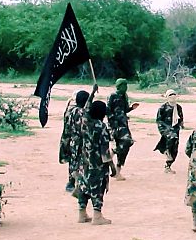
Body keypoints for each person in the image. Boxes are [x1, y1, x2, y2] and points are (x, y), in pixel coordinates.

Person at [74, 84, 117, 226]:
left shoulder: (85, 123)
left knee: (83, 186)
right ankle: (97, 216)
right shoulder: (101, 127)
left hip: (84, 162)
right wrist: (113, 167)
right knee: (98, 188)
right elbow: (105, 152)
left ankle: (82, 213)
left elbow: (86, 108)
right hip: (97, 164)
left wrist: (92, 92)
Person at [107, 78, 139, 180]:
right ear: (119, 86)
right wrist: (113, 122)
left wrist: (131, 108)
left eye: (126, 86)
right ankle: (111, 154)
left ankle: (117, 169)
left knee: (127, 143)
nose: (126, 88)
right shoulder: (112, 96)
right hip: (115, 126)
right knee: (126, 142)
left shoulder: (124, 96)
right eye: (124, 86)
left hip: (124, 125)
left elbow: (124, 110)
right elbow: (107, 110)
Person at [60, 89, 89, 192]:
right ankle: (78, 183)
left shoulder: (71, 111)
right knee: (82, 162)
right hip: (82, 141)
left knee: (73, 161)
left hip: (72, 140)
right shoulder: (83, 113)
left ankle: (71, 182)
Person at [154, 89, 185, 174]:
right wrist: (163, 130)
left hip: (175, 129)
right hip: (166, 129)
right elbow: (159, 120)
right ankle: (166, 151)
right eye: (170, 95)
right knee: (171, 138)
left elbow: (180, 117)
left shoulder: (178, 107)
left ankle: (168, 166)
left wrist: (181, 124)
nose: (172, 96)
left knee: (175, 149)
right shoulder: (163, 108)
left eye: (174, 94)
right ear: (167, 97)